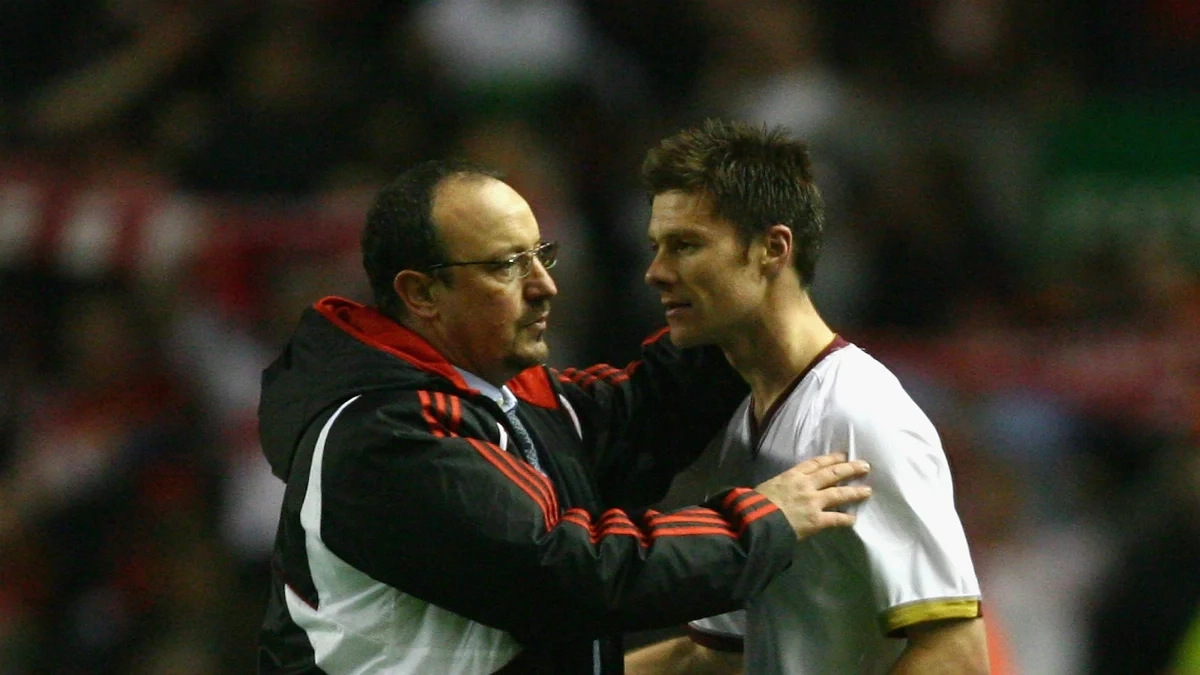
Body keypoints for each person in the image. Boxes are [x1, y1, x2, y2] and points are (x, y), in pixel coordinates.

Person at [256, 159, 874, 674]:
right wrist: (763, 520)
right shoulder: (385, 438)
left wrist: (736, 295)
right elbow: (570, 572)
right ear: (420, 294)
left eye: (540, 254)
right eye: (506, 265)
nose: (545, 285)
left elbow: (645, 414)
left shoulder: (505, 399)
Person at [624, 119, 989, 674]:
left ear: (773, 249)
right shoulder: (742, 418)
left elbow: (955, 655)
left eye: (686, 246)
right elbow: (716, 659)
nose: (656, 272)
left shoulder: (859, 415)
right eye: (657, 247)